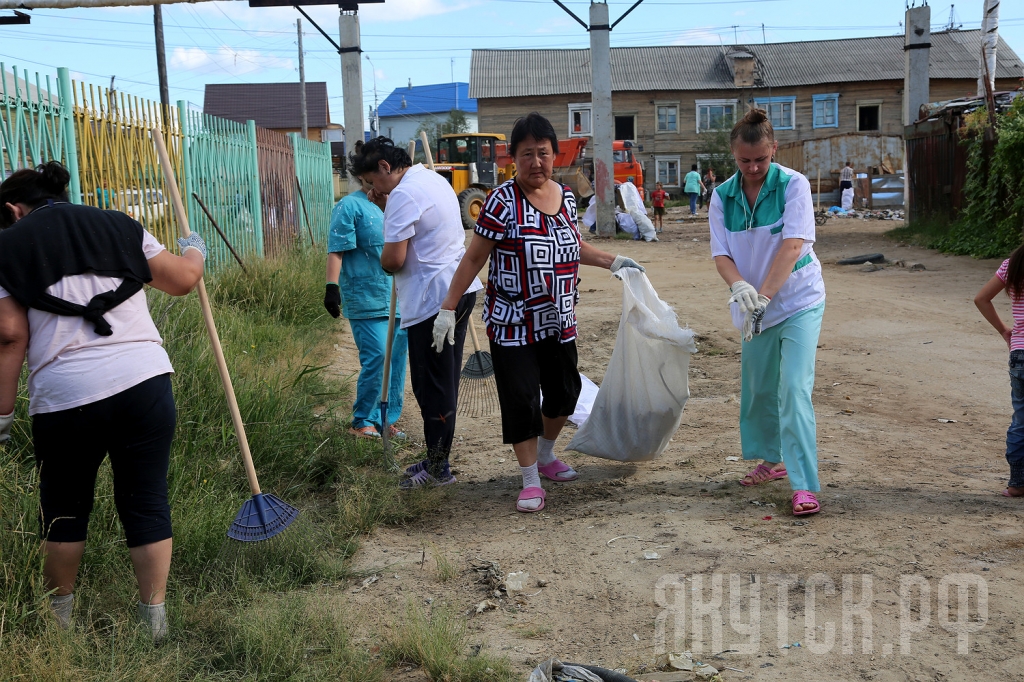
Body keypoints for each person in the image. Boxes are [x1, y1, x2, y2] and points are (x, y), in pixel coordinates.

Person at [0, 161, 206, 639]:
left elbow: (10, 336)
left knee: (65, 507)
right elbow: (181, 280)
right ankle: (154, 624)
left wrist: (4, 415)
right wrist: (194, 250)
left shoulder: (6, 247)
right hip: (145, 381)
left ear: (12, 209)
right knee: (147, 499)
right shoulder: (120, 224)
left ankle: (60, 627)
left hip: (66, 396)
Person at [435, 113, 645, 513]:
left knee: (565, 394)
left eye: (543, 153)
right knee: (521, 399)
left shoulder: (566, 197)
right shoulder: (500, 201)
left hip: (559, 317)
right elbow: (474, 258)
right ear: (514, 158)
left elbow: (573, 246)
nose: (536, 162)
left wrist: (613, 260)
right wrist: (449, 307)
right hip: (512, 322)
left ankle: (547, 456)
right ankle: (530, 478)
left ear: (554, 156)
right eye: (527, 154)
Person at [708, 109, 826, 517]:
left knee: (793, 388)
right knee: (759, 390)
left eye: (761, 159)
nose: (754, 168)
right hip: (752, 304)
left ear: (774, 149)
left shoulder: (794, 185)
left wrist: (764, 296)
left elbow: (792, 246)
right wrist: (741, 288)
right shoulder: (722, 195)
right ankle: (772, 461)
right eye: (745, 161)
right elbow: (721, 253)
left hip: (797, 300)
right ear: (733, 155)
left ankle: (804, 485)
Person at [351, 137, 483, 489]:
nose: (371, 190)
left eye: (371, 182)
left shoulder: (404, 196)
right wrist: (387, 206)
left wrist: (385, 223)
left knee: (432, 389)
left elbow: (392, 260)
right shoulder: (431, 179)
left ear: (383, 167)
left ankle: (439, 471)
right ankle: (437, 457)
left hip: (432, 302)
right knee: (443, 382)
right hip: (457, 290)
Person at [324, 147, 407, 440]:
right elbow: (337, 250)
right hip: (365, 297)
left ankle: (386, 419)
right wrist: (331, 287)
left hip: (397, 296)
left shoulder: (395, 203)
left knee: (396, 360)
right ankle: (362, 419)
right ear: (362, 174)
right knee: (377, 356)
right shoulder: (349, 206)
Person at [974, 247, 1024, 497]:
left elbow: (981, 298)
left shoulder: (1013, 264)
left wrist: (1005, 330)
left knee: (1020, 421)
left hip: (1020, 353)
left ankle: (1017, 483)